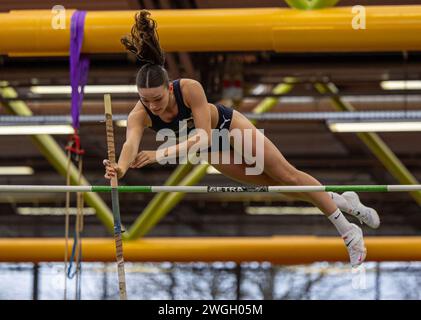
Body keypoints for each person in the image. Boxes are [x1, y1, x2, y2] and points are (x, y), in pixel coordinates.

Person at [103, 10, 380, 267]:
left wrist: (158, 155)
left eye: (158, 99)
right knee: (278, 187)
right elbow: (130, 145)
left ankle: (348, 231)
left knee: (288, 176)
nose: (153, 106)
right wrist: (121, 167)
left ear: (169, 87)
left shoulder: (189, 89)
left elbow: (202, 135)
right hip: (212, 152)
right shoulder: (138, 115)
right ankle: (345, 202)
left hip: (227, 127)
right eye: (145, 100)